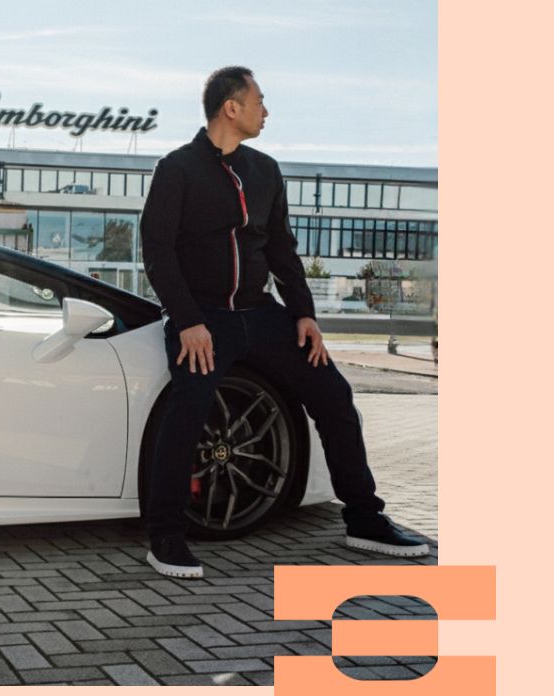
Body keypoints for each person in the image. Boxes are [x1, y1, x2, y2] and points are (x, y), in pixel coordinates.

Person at [140, 66, 428, 579]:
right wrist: (186, 320)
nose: (266, 111)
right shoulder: (177, 169)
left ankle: (364, 519)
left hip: (261, 314)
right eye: (259, 101)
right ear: (232, 108)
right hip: (203, 319)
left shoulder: (266, 171)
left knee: (334, 396)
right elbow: (157, 251)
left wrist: (303, 314)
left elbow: (281, 249)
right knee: (187, 410)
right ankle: (165, 536)